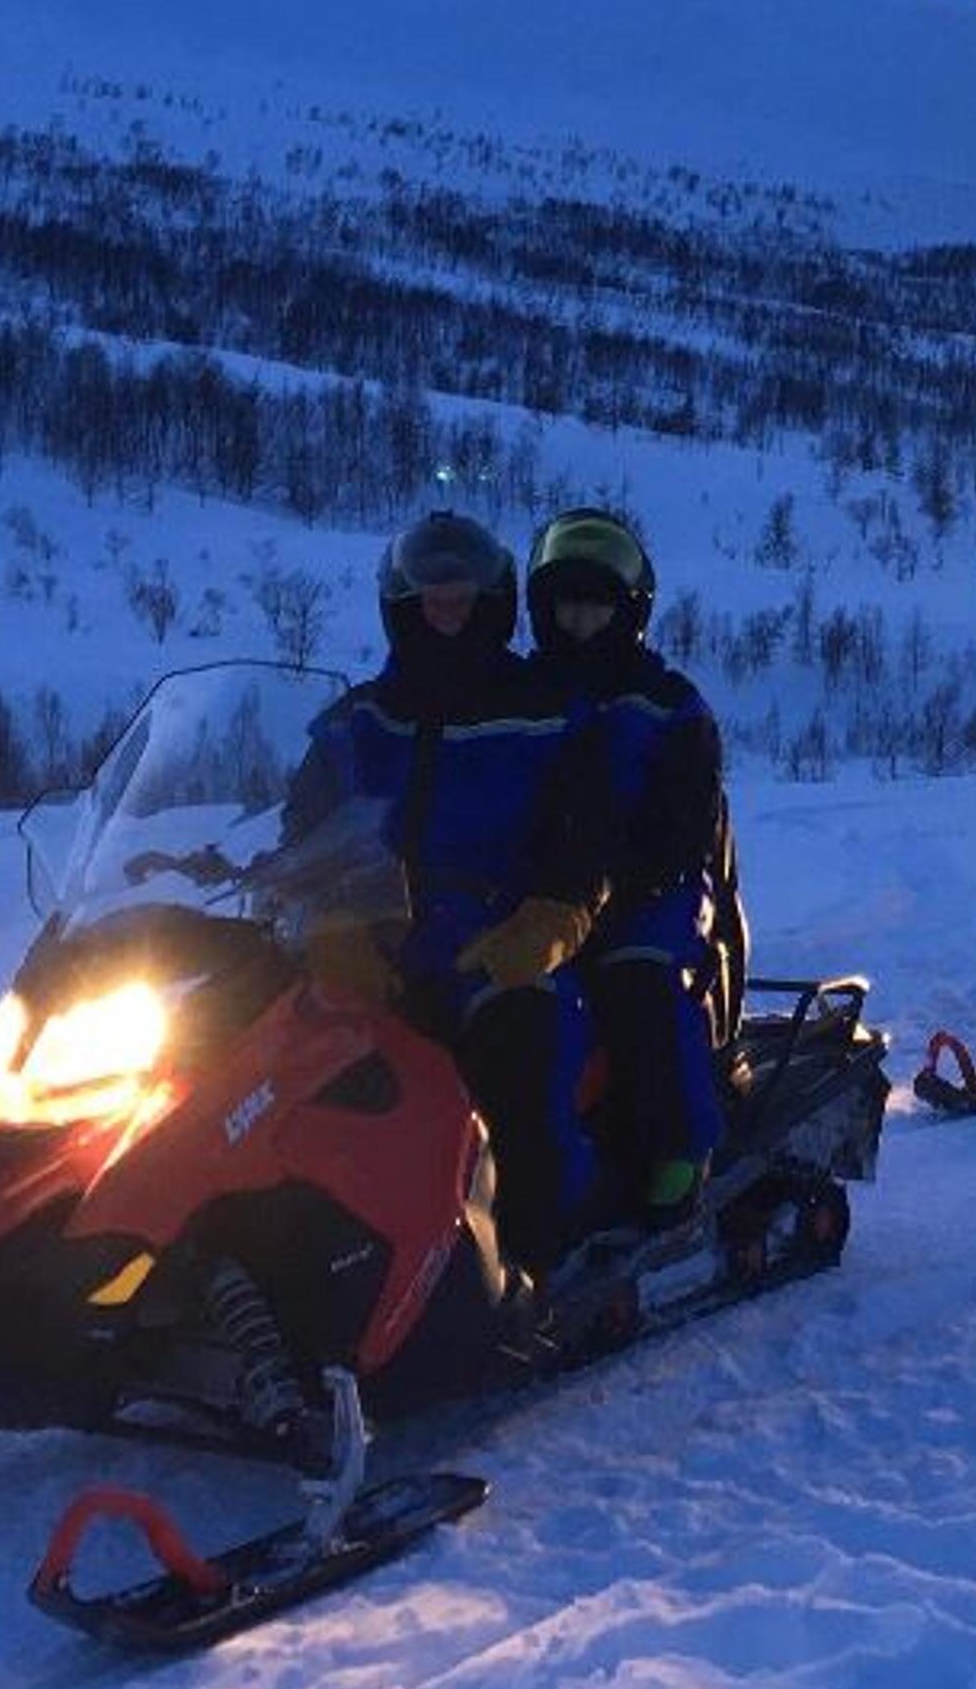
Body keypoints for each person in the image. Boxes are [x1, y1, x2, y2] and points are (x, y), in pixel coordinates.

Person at [296, 510, 601, 1270]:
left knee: (513, 1052)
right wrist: (319, 910)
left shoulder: (546, 711)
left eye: (462, 600)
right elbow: (303, 827)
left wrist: (554, 914)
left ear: (491, 603)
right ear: (404, 608)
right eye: (433, 602)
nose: (448, 616)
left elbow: (586, 831)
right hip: (378, 935)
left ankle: (532, 1258)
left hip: (496, 939)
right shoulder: (357, 719)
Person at [519, 508, 741, 1236]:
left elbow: (685, 824)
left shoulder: (670, 705)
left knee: (636, 977)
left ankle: (680, 1146)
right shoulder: (518, 697)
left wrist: (614, 881)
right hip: (536, 886)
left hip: (651, 890)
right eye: (565, 603)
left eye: (596, 603)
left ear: (628, 610)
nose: (579, 619)